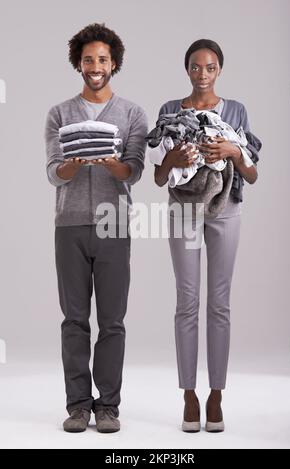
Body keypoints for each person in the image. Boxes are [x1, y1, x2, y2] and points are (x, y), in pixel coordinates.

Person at [154, 39, 261, 432]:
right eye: (196, 67)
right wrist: (173, 158)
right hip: (184, 208)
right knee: (187, 301)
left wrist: (232, 151)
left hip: (226, 208)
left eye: (210, 67)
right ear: (187, 70)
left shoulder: (236, 111)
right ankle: (189, 394)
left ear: (219, 70)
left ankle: (216, 394)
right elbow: (159, 177)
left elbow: (251, 174)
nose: (203, 75)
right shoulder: (170, 111)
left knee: (219, 303)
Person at [45, 23, 147, 433]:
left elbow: (135, 171)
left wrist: (112, 164)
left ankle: (108, 406)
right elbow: (54, 173)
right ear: (79, 63)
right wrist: (75, 163)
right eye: (88, 59)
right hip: (69, 225)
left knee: (113, 320)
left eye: (102, 59)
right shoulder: (59, 114)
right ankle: (77, 406)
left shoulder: (132, 113)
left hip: (113, 225)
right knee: (73, 320)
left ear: (114, 63)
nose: (95, 66)